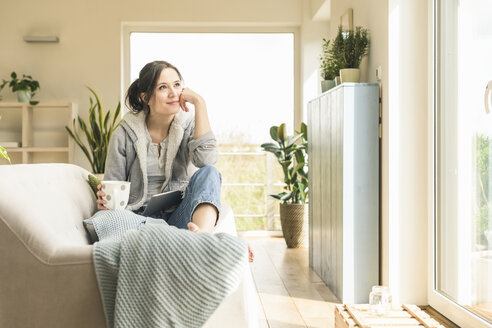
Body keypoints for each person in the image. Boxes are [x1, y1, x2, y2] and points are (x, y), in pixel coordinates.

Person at [96, 60, 254, 262]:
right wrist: (105, 201)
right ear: (146, 98)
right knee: (108, 220)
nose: (173, 93)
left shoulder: (188, 126)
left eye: (177, 85)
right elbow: (114, 184)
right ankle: (182, 241)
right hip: (137, 218)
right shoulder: (124, 133)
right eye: (163, 87)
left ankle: (203, 239)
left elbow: (207, 160)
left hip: (179, 217)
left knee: (210, 173)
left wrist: (200, 102)